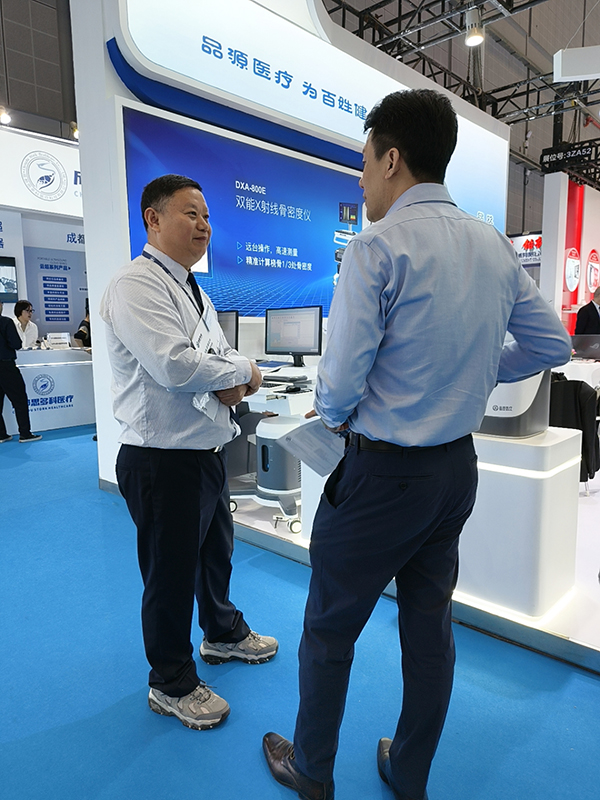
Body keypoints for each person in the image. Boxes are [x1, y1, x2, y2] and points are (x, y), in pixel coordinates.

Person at [262, 89, 572, 800]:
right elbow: (552, 344)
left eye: (363, 163)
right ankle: (408, 772)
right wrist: (476, 371)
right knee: (430, 630)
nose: (361, 180)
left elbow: (338, 390)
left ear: (392, 159)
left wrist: (335, 409)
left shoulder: (375, 248)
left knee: (330, 628)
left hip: (381, 479)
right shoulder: (493, 245)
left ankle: (311, 770)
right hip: (454, 472)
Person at [100, 174, 277, 732]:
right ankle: (171, 682)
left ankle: (221, 633)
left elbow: (216, 356)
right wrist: (244, 373)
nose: (203, 225)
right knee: (170, 574)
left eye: (206, 216)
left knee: (215, 554)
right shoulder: (135, 284)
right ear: (153, 220)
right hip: (161, 458)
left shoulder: (193, 289)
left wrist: (233, 376)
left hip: (204, 450)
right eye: (190, 213)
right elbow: (175, 365)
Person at [0, 301, 42, 443]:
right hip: (6, 365)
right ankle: (25, 433)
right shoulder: (6, 322)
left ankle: (1, 434)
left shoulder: (32, 327)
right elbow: (16, 344)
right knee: (20, 400)